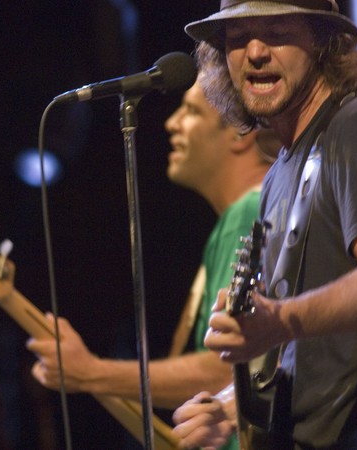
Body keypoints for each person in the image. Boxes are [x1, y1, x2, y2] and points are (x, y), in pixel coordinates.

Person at [171, 1, 357, 449]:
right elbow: (305, 355)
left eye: (277, 30)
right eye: (236, 38)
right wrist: (231, 405)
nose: (254, 51)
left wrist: (281, 320)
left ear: (323, 42)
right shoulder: (281, 171)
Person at [26, 78, 278, 449]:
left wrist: (92, 372)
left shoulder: (245, 214)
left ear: (240, 134)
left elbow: (227, 369)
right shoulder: (247, 213)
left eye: (191, 112)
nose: (170, 123)